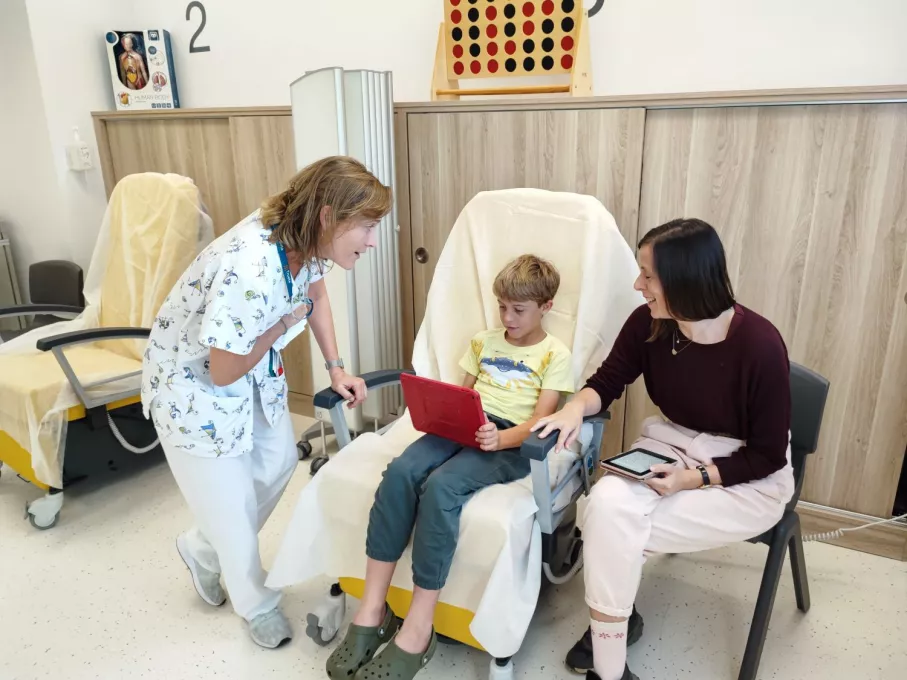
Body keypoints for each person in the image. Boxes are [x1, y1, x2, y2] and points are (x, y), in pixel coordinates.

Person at [140, 156, 391, 648]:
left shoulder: (302, 236)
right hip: (191, 387)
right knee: (231, 507)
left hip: (249, 366)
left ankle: (202, 547)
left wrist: (336, 365)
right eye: (366, 227)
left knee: (277, 463)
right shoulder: (249, 266)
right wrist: (280, 325)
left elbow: (314, 288)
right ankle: (255, 604)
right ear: (328, 217)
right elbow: (222, 369)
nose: (372, 241)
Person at [532, 219, 794, 680]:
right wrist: (574, 410)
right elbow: (607, 381)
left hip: (745, 474)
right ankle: (611, 666)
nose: (638, 285)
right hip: (669, 447)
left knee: (609, 526)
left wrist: (694, 478)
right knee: (610, 509)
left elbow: (769, 455)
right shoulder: (650, 325)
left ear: (685, 279)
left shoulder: (760, 346)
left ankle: (608, 640)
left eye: (647, 276)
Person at [326, 255, 575, 680]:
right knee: (402, 471)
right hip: (466, 427)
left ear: (546, 306)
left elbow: (542, 420)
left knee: (441, 488)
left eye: (519, 310)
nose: (507, 317)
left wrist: (503, 438)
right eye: (502, 307)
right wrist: (444, 417)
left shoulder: (555, 354)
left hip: (510, 442)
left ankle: (419, 628)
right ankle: (372, 609)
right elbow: (462, 397)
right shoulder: (483, 342)